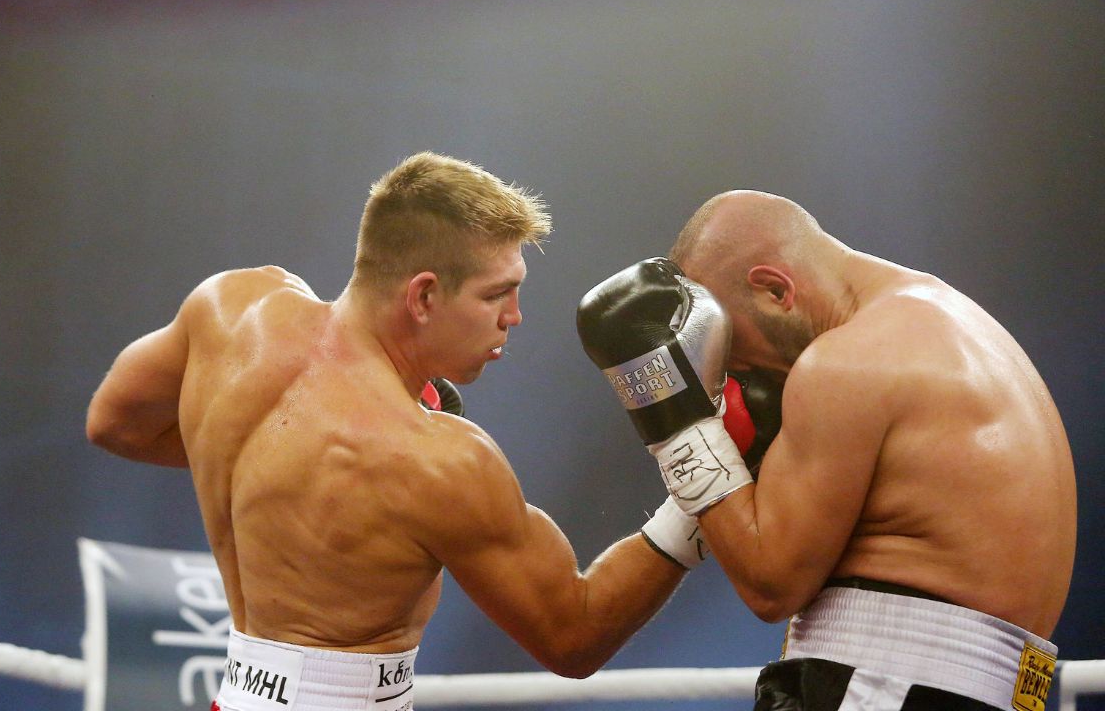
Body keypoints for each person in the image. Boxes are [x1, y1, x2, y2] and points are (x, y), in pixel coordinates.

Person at [85, 152, 702, 711]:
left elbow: (114, 423)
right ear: (424, 296)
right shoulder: (432, 459)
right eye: (497, 295)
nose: (514, 317)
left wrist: (268, 464)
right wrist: (699, 476)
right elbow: (574, 636)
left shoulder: (230, 308)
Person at [577, 190, 1076, 710]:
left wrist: (678, 425)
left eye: (734, 347)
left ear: (774, 289)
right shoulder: (959, 325)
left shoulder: (844, 364)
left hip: (883, 686)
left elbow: (770, 586)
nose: (738, 375)